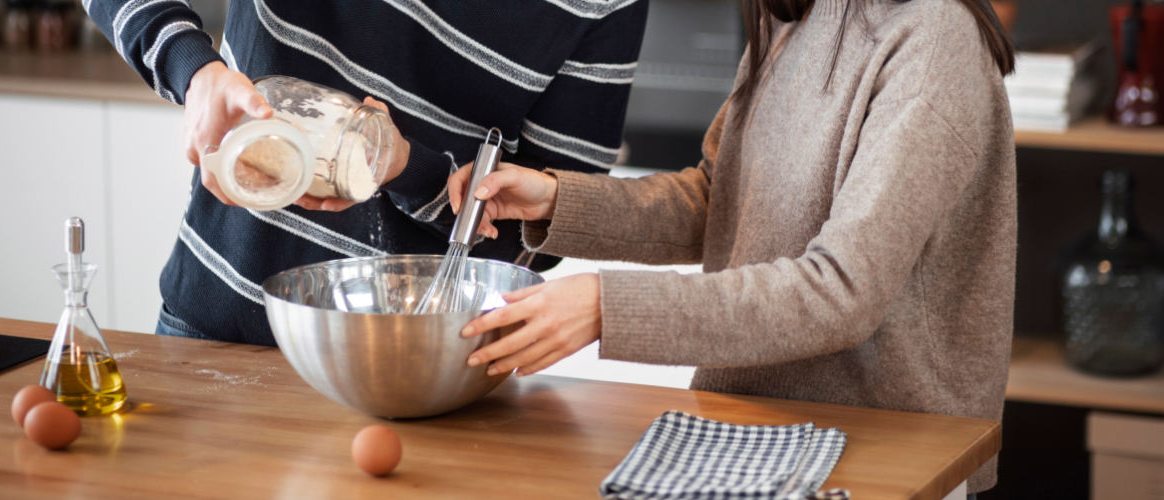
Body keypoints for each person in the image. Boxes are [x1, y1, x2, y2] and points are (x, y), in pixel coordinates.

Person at [449, 0, 1016, 495]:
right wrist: (555, 198)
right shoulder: (796, 17)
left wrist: (606, 307)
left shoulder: (936, 40)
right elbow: (720, 201)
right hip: (747, 431)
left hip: (879, 448)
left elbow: (844, 290)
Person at [83, 0, 648, 345]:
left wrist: (406, 167)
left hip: (419, 373)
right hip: (215, 328)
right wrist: (194, 70)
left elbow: (543, 228)